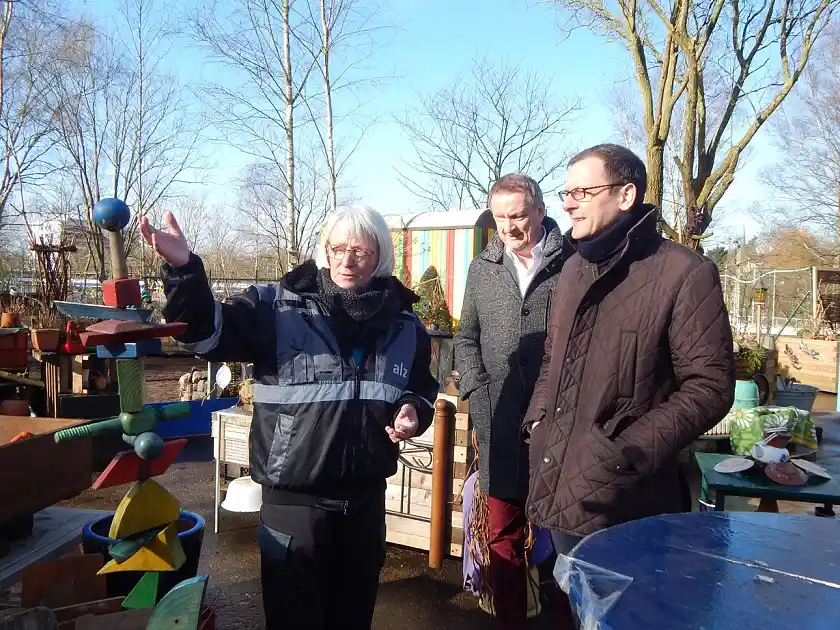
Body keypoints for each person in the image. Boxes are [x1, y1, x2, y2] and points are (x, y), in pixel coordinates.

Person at [140, 205, 439, 630]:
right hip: (293, 505)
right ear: (324, 251)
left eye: (360, 251)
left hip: (364, 503)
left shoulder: (405, 324)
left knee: (352, 620)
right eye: (337, 248)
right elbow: (207, 335)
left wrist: (413, 410)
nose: (346, 260)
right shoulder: (276, 307)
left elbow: (421, 387)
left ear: (381, 256)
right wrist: (186, 270)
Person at [523, 144, 736, 556]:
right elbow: (555, 357)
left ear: (625, 195)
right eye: (566, 193)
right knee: (577, 608)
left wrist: (625, 453)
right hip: (561, 479)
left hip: (630, 498)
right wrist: (538, 422)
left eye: (582, 193)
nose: (568, 205)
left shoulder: (685, 272)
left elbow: (710, 387)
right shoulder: (573, 269)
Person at [454, 173, 571, 629]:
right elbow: (465, 338)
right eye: (500, 218)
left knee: (561, 538)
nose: (509, 227)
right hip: (498, 424)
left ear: (540, 210)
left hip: (557, 431)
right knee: (502, 534)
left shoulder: (573, 264)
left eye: (518, 215)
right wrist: (478, 395)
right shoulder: (482, 269)